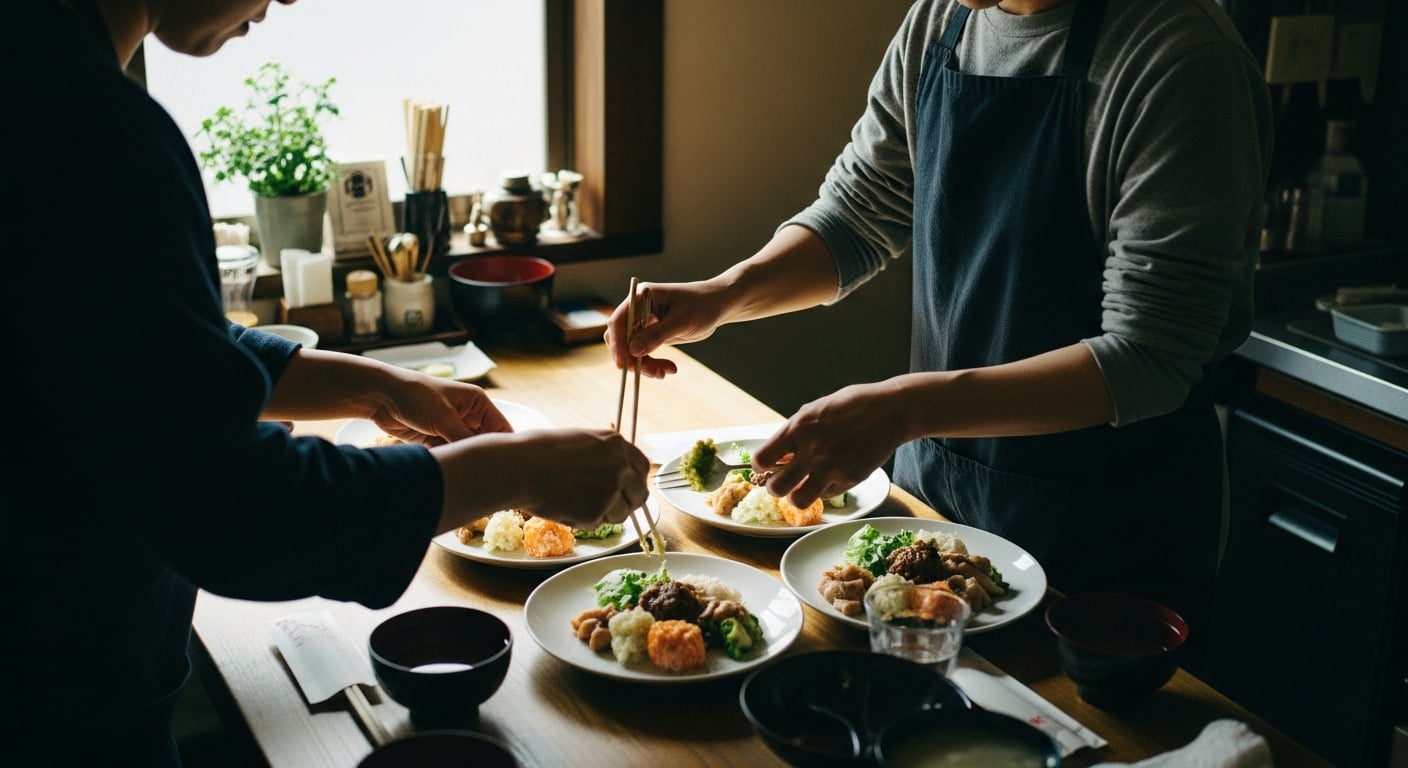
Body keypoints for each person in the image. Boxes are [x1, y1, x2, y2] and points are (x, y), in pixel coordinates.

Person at [5, 1, 650, 765]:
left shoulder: (36, 68)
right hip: (54, 703)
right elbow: (230, 505)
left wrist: (374, 387)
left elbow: (138, 353)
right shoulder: (88, 127)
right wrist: (514, 470)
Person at [609, 0, 1271, 661]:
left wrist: (906, 408)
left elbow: (1148, 357)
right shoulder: (942, 21)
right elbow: (859, 213)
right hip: (938, 503)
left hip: (1104, 535)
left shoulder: (1181, 59)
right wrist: (723, 296)